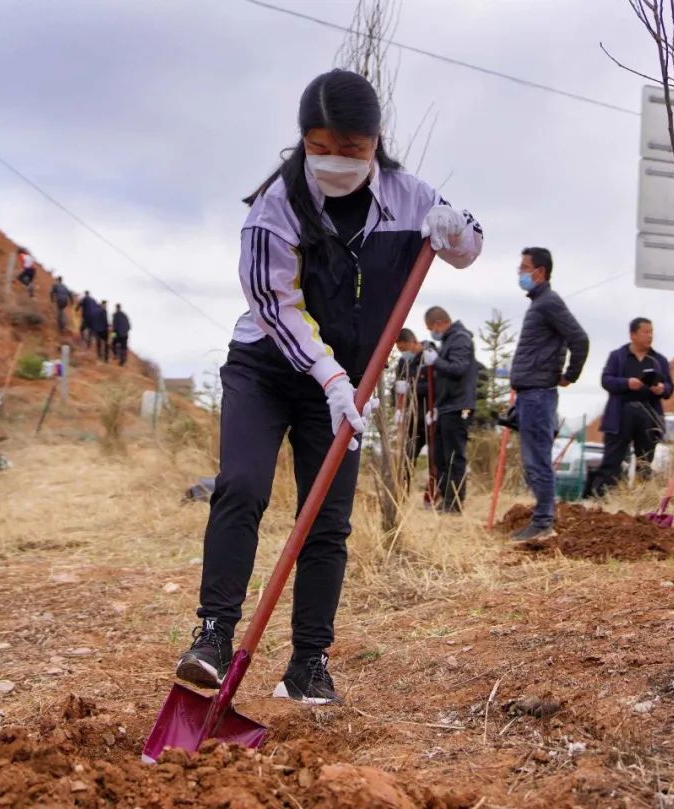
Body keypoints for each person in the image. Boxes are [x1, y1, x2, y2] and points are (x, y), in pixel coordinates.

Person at [174, 69, 482, 705]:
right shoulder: (274, 208)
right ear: (303, 141)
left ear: (374, 141)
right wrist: (332, 377)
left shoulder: (406, 195)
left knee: (328, 522)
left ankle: (308, 665)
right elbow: (275, 306)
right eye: (320, 147)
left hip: (348, 383)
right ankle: (213, 636)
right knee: (242, 486)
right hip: (267, 367)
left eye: (351, 149)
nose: (336, 160)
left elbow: (469, 246)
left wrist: (457, 229)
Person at [509, 247, 589, 542]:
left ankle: (543, 523)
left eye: (524, 267)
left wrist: (570, 376)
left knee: (537, 460)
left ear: (539, 272)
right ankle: (541, 519)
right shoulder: (539, 304)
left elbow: (579, 339)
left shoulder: (548, 302)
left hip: (539, 395)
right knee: (533, 461)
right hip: (530, 395)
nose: (520, 273)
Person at [586, 318, 674, 497]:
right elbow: (606, 380)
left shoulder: (659, 360)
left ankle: (641, 498)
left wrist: (662, 388)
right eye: (645, 332)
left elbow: (670, 387)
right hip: (620, 414)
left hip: (648, 414)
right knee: (612, 460)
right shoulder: (618, 356)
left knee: (645, 461)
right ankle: (603, 498)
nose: (650, 336)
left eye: (651, 332)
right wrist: (626, 383)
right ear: (633, 335)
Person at [422, 307, 477, 513]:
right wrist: (436, 406)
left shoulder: (460, 339)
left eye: (430, 328)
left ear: (439, 323)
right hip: (446, 406)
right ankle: (446, 499)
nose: (431, 332)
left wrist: (436, 361)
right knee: (442, 457)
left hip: (458, 406)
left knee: (454, 457)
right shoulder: (448, 341)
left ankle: (454, 504)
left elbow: (458, 368)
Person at [392, 328, 430, 492]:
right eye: (399, 350)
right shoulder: (403, 362)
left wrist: (413, 388)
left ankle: (435, 494)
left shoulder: (429, 357)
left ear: (412, 342)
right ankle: (402, 491)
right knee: (407, 456)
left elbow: (435, 385)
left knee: (436, 459)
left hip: (429, 415)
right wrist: (398, 410)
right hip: (412, 418)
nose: (402, 353)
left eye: (403, 349)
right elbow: (398, 387)